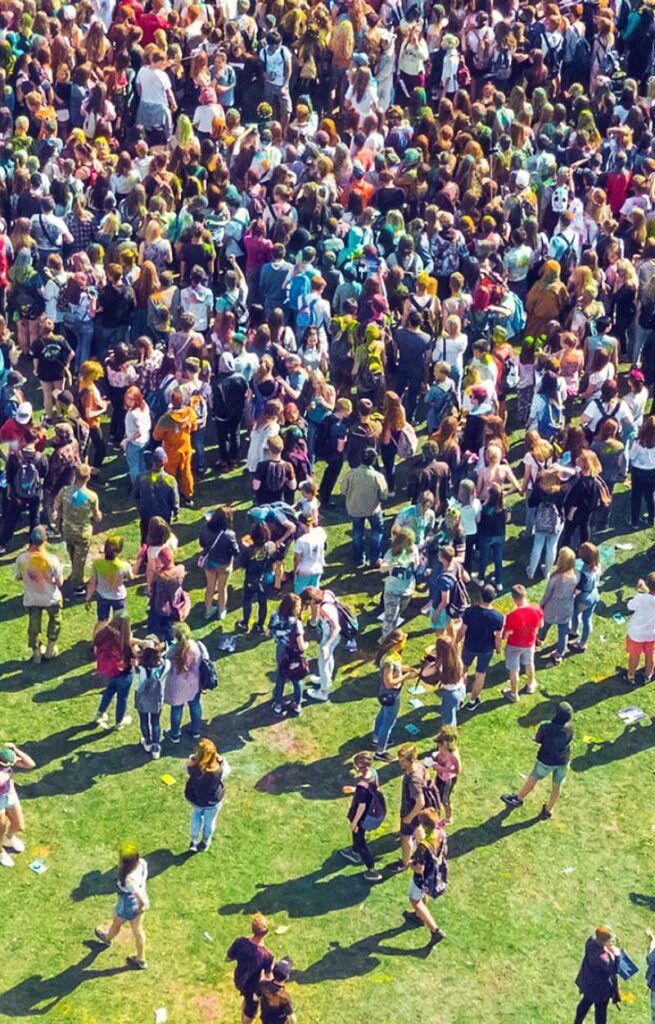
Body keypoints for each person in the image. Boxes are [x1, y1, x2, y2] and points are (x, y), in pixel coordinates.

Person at [501, 701, 574, 819]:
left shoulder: (546, 727)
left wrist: (536, 738)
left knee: (533, 778)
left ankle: (518, 799)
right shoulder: (570, 727)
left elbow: (539, 739)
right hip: (563, 761)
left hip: (546, 760)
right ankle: (548, 810)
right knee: (556, 786)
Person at [94, 841, 149, 971]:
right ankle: (141, 960)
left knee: (116, 923)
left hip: (128, 903)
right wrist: (141, 908)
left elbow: (139, 899)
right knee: (138, 930)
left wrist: (140, 907)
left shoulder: (128, 879)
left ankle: (107, 938)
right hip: (142, 897)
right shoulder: (142, 863)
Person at [14, 526, 63, 663]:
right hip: (50, 597)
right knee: (55, 621)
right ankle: (50, 650)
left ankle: (36, 653)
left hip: (32, 598)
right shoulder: (52, 559)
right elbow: (59, 582)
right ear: (45, 540)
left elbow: (18, 577)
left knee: (34, 626)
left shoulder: (22, 559)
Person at [54, 462, 102, 595]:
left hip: (67, 530)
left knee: (72, 552)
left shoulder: (65, 491)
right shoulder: (92, 496)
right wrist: (98, 515)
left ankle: (74, 574)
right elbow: (97, 516)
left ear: (75, 476)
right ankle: (78, 586)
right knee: (80, 559)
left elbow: (55, 505)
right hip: (82, 533)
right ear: (88, 477)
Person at [339, 751, 385, 882]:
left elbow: (361, 807)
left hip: (361, 817)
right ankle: (353, 851)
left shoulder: (362, 787)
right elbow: (372, 789)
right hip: (369, 810)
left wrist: (354, 822)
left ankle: (372, 869)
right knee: (357, 837)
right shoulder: (373, 774)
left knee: (361, 842)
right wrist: (355, 790)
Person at [373, 629, 416, 763]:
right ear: (397, 643)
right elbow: (389, 682)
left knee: (382, 714)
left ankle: (376, 737)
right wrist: (406, 676)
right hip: (390, 695)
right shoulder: (388, 661)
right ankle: (380, 751)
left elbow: (396, 668)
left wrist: (406, 668)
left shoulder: (392, 655)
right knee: (388, 723)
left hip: (387, 694)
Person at [341, 446, 388, 568]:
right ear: (374, 460)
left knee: (357, 533)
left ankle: (359, 558)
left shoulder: (351, 474)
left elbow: (343, 490)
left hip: (355, 508)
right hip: (373, 509)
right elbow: (384, 495)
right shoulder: (377, 476)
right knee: (377, 532)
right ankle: (375, 559)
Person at [459, 585, 504, 710]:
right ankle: (472, 701)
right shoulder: (498, 617)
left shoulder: (470, 611)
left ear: (480, 596)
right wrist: (498, 648)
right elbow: (498, 637)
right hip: (486, 649)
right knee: (480, 675)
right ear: (493, 598)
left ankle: (460, 697)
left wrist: (456, 642)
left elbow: (463, 630)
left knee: (463, 670)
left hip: (469, 646)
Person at [407, 808, 447, 946]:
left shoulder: (423, 847)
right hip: (434, 871)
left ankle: (434, 930)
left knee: (415, 900)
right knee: (423, 893)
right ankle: (419, 915)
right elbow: (445, 850)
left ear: (424, 826)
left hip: (422, 877)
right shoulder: (441, 834)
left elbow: (419, 868)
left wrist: (410, 864)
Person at [226, 913, 274, 1024]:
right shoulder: (267, 955)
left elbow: (228, 958)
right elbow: (268, 977)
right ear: (266, 933)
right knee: (251, 1011)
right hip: (253, 986)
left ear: (252, 929)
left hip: (239, 979)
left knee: (246, 999)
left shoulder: (240, 942)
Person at [153, 387, 198, 505]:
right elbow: (194, 427)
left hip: (170, 451)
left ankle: (170, 496)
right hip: (186, 448)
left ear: (171, 401)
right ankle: (188, 495)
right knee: (186, 472)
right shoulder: (190, 412)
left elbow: (156, 436)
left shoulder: (166, 418)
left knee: (169, 474)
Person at [502, 584, 544, 703]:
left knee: (514, 670)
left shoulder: (512, 616)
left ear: (514, 599)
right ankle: (530, 685)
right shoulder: (536, 609)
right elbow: (541, 625)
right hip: (529, 643)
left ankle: (514, 693)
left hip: (514, 644)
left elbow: (507, 634)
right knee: (529, 663)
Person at [164, 623, 204, 743]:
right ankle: (195, 731)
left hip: (177, 685)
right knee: (195, 705)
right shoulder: (197, 646)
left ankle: (175, 734)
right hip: (194, 683)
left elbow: (166, 665)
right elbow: (205, 660)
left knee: (177, 709)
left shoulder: (172, 650)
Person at [537, 546, 579, 664]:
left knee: (545, 624)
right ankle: (559, 653)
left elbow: (547, 594)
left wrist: (541, 604)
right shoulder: (576, 575)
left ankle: (539, 639)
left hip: (552, 606)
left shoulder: (555, 577)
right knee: (563, 630)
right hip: (567, 606)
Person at [269, 593, 308, 716]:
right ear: (292, 608)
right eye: (298, 606)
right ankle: (297, 705)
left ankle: (278, 705)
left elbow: (269, 631)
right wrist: (307, 645)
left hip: (281, 650)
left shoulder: (274, 615)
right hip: (294, 654)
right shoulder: (296, 623)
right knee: (296, 678)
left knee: (281, 676)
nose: (300, 608)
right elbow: (301, 646)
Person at [199, 506, 240, 621]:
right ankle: (221, 611)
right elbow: (236, 551)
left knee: (210, 587)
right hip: (224, 565)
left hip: (210, 562)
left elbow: (202, 543)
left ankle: (208, 611)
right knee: (222, 588)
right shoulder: (230, 535)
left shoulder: (206, 528)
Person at [94, 613, 135, 731]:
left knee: (109, 690)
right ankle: (119, 722)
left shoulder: (104, 634)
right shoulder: (123, 642)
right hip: (124, 673)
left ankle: (100, 714)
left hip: (110, 671)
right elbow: (133, 654)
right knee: (122, 698)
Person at [185, 738, 227, 852]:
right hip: (212, 801)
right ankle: (205, 842)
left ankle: (193, 841)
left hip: (195, 798)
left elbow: (186, 769)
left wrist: (193, 759)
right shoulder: (219, 769)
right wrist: (221, 760)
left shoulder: (192, 766)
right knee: (209, 822)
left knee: (196, 816)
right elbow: (227, 772)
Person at [572, 928, 621, 1024]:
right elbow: (613, 970)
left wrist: (607, 948)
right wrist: (617, 956)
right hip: (600, 990)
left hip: (587, 981)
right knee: (601, 1012)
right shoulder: (604, 959)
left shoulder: (591, 941)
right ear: (605, 942)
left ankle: (577, 1022)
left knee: (585, 1002)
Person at [302, 586, 342, 703]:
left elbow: (337, 627)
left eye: (308, 602)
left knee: (323, 663)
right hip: (330, 634)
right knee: (328, 658)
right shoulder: (327, 593)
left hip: (331, 637)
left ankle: (323, 692)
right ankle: (326, 680)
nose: (308, 605)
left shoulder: (325, 609)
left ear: (312, 599)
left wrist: (327, 645)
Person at [0, 742, 36, 868]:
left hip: (9, 793)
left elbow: (31, 764)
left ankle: (8, 838)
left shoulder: (6, 762)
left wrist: (15, 750)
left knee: (19, 826)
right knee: (0, 829)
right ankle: (0, 851)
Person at [380, 527, 420, 638]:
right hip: (393, 591)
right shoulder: (391, 553)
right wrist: (392, 565)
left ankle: (390, 633)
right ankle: (386, 640)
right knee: (390, 618)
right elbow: (382, 568)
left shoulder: (414, 549)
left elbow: (416, 565)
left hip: (407, 590)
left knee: (396, 614)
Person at [86, 535, 134, 628]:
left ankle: (97, 636)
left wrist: (88, 599)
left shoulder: (97, 563)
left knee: (102, 621)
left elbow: (92, 583)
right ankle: (120, 637)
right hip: (118, 597)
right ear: (120, 550)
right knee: (120, 622)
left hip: (102, 596)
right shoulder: (124, 566)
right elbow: (131, 577)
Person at [134, 448, 180, 543]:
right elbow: (174, 499)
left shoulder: (141, 477)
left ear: (152, 461)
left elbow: (135, 495)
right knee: (163, 538)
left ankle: (145, 552)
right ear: (165, 462)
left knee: (145, 538)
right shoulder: (170, 480)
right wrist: (176, 511)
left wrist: (140, 507)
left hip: (146, 514)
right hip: (163, 515)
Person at [133, 636, 167, 759]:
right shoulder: (164, 665)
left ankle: (147, 742)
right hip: (157, 698)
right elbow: (166, 653)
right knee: (155, 722)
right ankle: (156, 747)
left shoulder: (141, 666)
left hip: (142, 696)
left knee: (143, 720)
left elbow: (134, 650)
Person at [625, 572, 655, 685]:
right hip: (652, 634)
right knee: (650, 654)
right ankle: (648, 675)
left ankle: (630, 676)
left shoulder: (641, 598)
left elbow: (630, 606)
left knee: (634, 655)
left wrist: (639, 591)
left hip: (636, 633)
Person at [430, 726, 461, 825]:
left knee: (444, 800)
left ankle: (448, 818)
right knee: (435, 793)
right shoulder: (441, 746)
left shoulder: (453, 755)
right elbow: (439, 755)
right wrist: (435, 758)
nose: (439, 745)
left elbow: (457, 771)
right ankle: (435, 813)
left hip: (447, 779)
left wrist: (440, 768)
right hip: (439, 776)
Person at [257, 957, 297, 1024]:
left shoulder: (263, 984)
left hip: (265, 1018)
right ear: (287, 977)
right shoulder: (284, 997)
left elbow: (256, 997)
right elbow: (291, 1017)